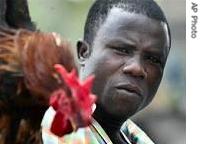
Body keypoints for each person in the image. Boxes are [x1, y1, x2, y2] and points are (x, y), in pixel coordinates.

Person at [42, 0, 171, 143]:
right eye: (122, 50)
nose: (137, 68)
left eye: (153, 59)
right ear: (84, 52)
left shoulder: (135, 138)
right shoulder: (49, 128)